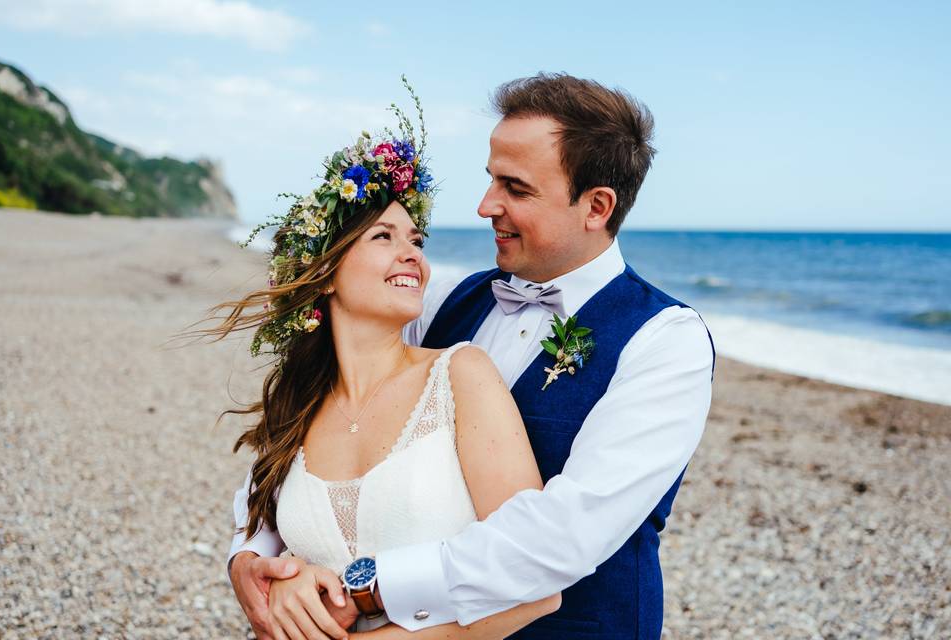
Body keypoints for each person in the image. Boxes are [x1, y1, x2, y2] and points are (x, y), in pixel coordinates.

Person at [229, 73, 715, 640]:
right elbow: (319, 426)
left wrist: (367, 586)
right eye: (491, 181)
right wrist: (254, 557)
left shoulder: (664, 341)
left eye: (516, 188)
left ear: (596, 206)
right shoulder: (441, 303)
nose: (486, 206)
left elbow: (566, 534)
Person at [208, 96, 561, 640]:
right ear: (324, 272)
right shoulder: (297, 405)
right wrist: (278, 580)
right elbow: (265, 539)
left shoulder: (460, 375)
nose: (412, 254)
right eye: (383, 237)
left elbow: (535, 585)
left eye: (416, 240)